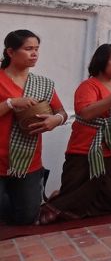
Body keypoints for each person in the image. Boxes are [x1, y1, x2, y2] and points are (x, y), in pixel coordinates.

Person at [40, 44, 111, 224]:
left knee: (108, 197)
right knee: (78, 193)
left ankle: (64, 204)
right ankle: (55, 207)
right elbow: (86, 112)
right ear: (101, 60)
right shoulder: (88, 86)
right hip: (86, 149)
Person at [0, 30, 67, 225]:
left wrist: (56, 120)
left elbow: (61, 111)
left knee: (27, 217)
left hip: (27, 160)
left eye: (37, 49)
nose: (35, 54)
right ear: (10, 52)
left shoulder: (42, 84)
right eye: (28, 49)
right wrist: (11, 103)